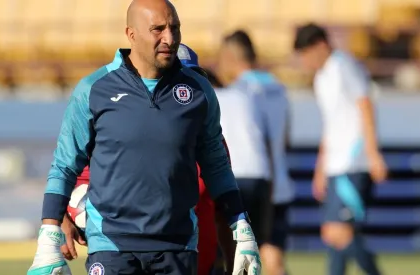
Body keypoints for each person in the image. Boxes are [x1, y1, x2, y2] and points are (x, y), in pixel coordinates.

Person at [27, 1, 261, 275]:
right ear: (131, 34)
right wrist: (49, 231)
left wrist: (241, 223)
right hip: (112, 247)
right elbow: (65, 165)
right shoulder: (94, 89)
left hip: (178, 247)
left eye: (175, 28)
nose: (169, 38)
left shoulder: (199, 92)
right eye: (158, 29)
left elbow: (217, 165)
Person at [59, 43, 236, 275]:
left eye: (191, 77)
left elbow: (225, 213)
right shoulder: (121, 134)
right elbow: (70, 177)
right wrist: (64, 220)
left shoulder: (213, 142)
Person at [293, 23, 388, 275]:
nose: (304, 62)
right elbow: (330, 125)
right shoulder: (322, 78)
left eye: (305, 54)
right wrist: (320, 169)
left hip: (353, 162)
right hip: (335, 165)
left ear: (320, 45)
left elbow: (365, 105)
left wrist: (373, 153)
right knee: (334, 238)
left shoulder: (344, 66)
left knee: (337, 232)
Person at [217, 30, 294, 275]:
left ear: (230, 56)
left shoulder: (240, 92)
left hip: (246, 176)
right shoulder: (277, 87)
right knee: (272, 258)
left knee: (237, 256)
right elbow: (284, 139)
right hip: (277, 183)